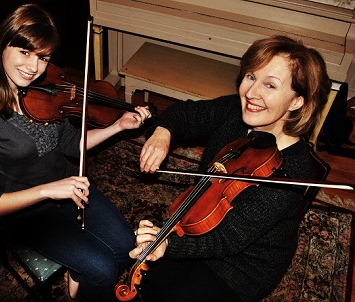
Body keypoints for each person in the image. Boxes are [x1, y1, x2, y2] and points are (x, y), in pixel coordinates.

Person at [0, 4, 151, 302]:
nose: (33, 67)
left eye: (43, 57)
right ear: (2, 45)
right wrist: (49, 190)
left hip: (67, 188)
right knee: (102, 270)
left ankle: (77, 272)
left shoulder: (46, 90)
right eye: (24, 52)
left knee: (126, 247)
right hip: (27, 213)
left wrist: (117, 126)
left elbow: (69, 142)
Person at [130, 35, 331, 301]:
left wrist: (167, 243)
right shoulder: (237, 112)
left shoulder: (290, 171)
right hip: (196, 221)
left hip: (241, 264)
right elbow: (185, 114)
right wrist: (162, 133)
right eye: (250, 77)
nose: (251, 93)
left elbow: (227, 239)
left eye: (270, 85)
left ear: (296, 102)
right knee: (142, 277)